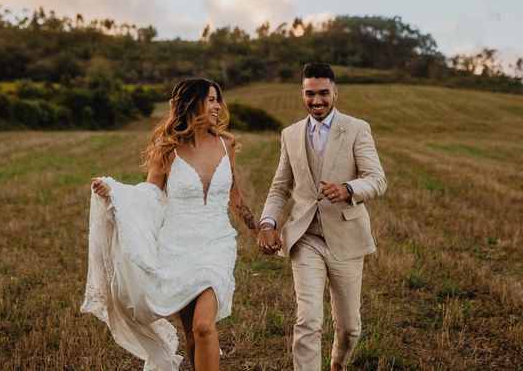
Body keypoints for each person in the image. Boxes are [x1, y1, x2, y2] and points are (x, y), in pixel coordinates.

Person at [81, 78, 260, 371]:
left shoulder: (226, 145)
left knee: (204, 326)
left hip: (217, 243)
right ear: (193, 103)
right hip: (177, 246)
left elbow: (234, 194)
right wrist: (116, 192)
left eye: (218, 100)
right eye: (211, 99)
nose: (217, 106)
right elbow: (150, 195)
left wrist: (258, 229)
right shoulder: (168, 150)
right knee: (192, 332)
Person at [257, 63, 387, 371]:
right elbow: (280, 188)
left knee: (350, 326)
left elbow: (377, 179)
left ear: (335, 93)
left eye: (323, 93)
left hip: (346, 238)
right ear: (302, 93)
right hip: (305, 239)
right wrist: (267, 223)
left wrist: (348, 188)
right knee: (308, 320)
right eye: (310, 94)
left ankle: (338, 363)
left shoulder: (357, 128)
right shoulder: (290, 135)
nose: (317, 101)